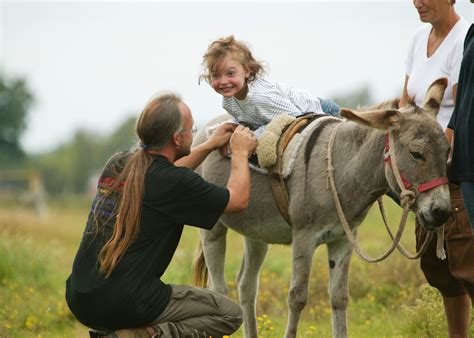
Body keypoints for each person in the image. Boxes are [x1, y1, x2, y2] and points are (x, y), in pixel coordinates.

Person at [65, 92, 257, 338]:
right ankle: (136, 336)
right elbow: (238, 200)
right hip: (127, 302)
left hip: (81, 298)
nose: (193, 132)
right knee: (228, 314)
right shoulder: (173, 183)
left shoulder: (118, 164)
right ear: (177, 139)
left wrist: (208, 145)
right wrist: (240, 152)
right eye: (191, 129)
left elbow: (165, 176)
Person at [398, 1, 471, 337]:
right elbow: (406, 102)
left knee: (466, 265)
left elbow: (458, 111)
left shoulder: (463, 38)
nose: (417, 3)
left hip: (450, 169)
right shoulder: (417, 38)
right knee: (441, 271)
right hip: (423, 173)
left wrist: (438, 161)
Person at [200, 35, 340, 142]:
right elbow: (246, 119)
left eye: (231, 73)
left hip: (318, 111)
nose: (223, 81)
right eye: (216, 75)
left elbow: (294, 117)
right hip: (295, 115)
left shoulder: (262, 97)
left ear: (247, 71)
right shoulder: (228, 101)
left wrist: (256, 135)